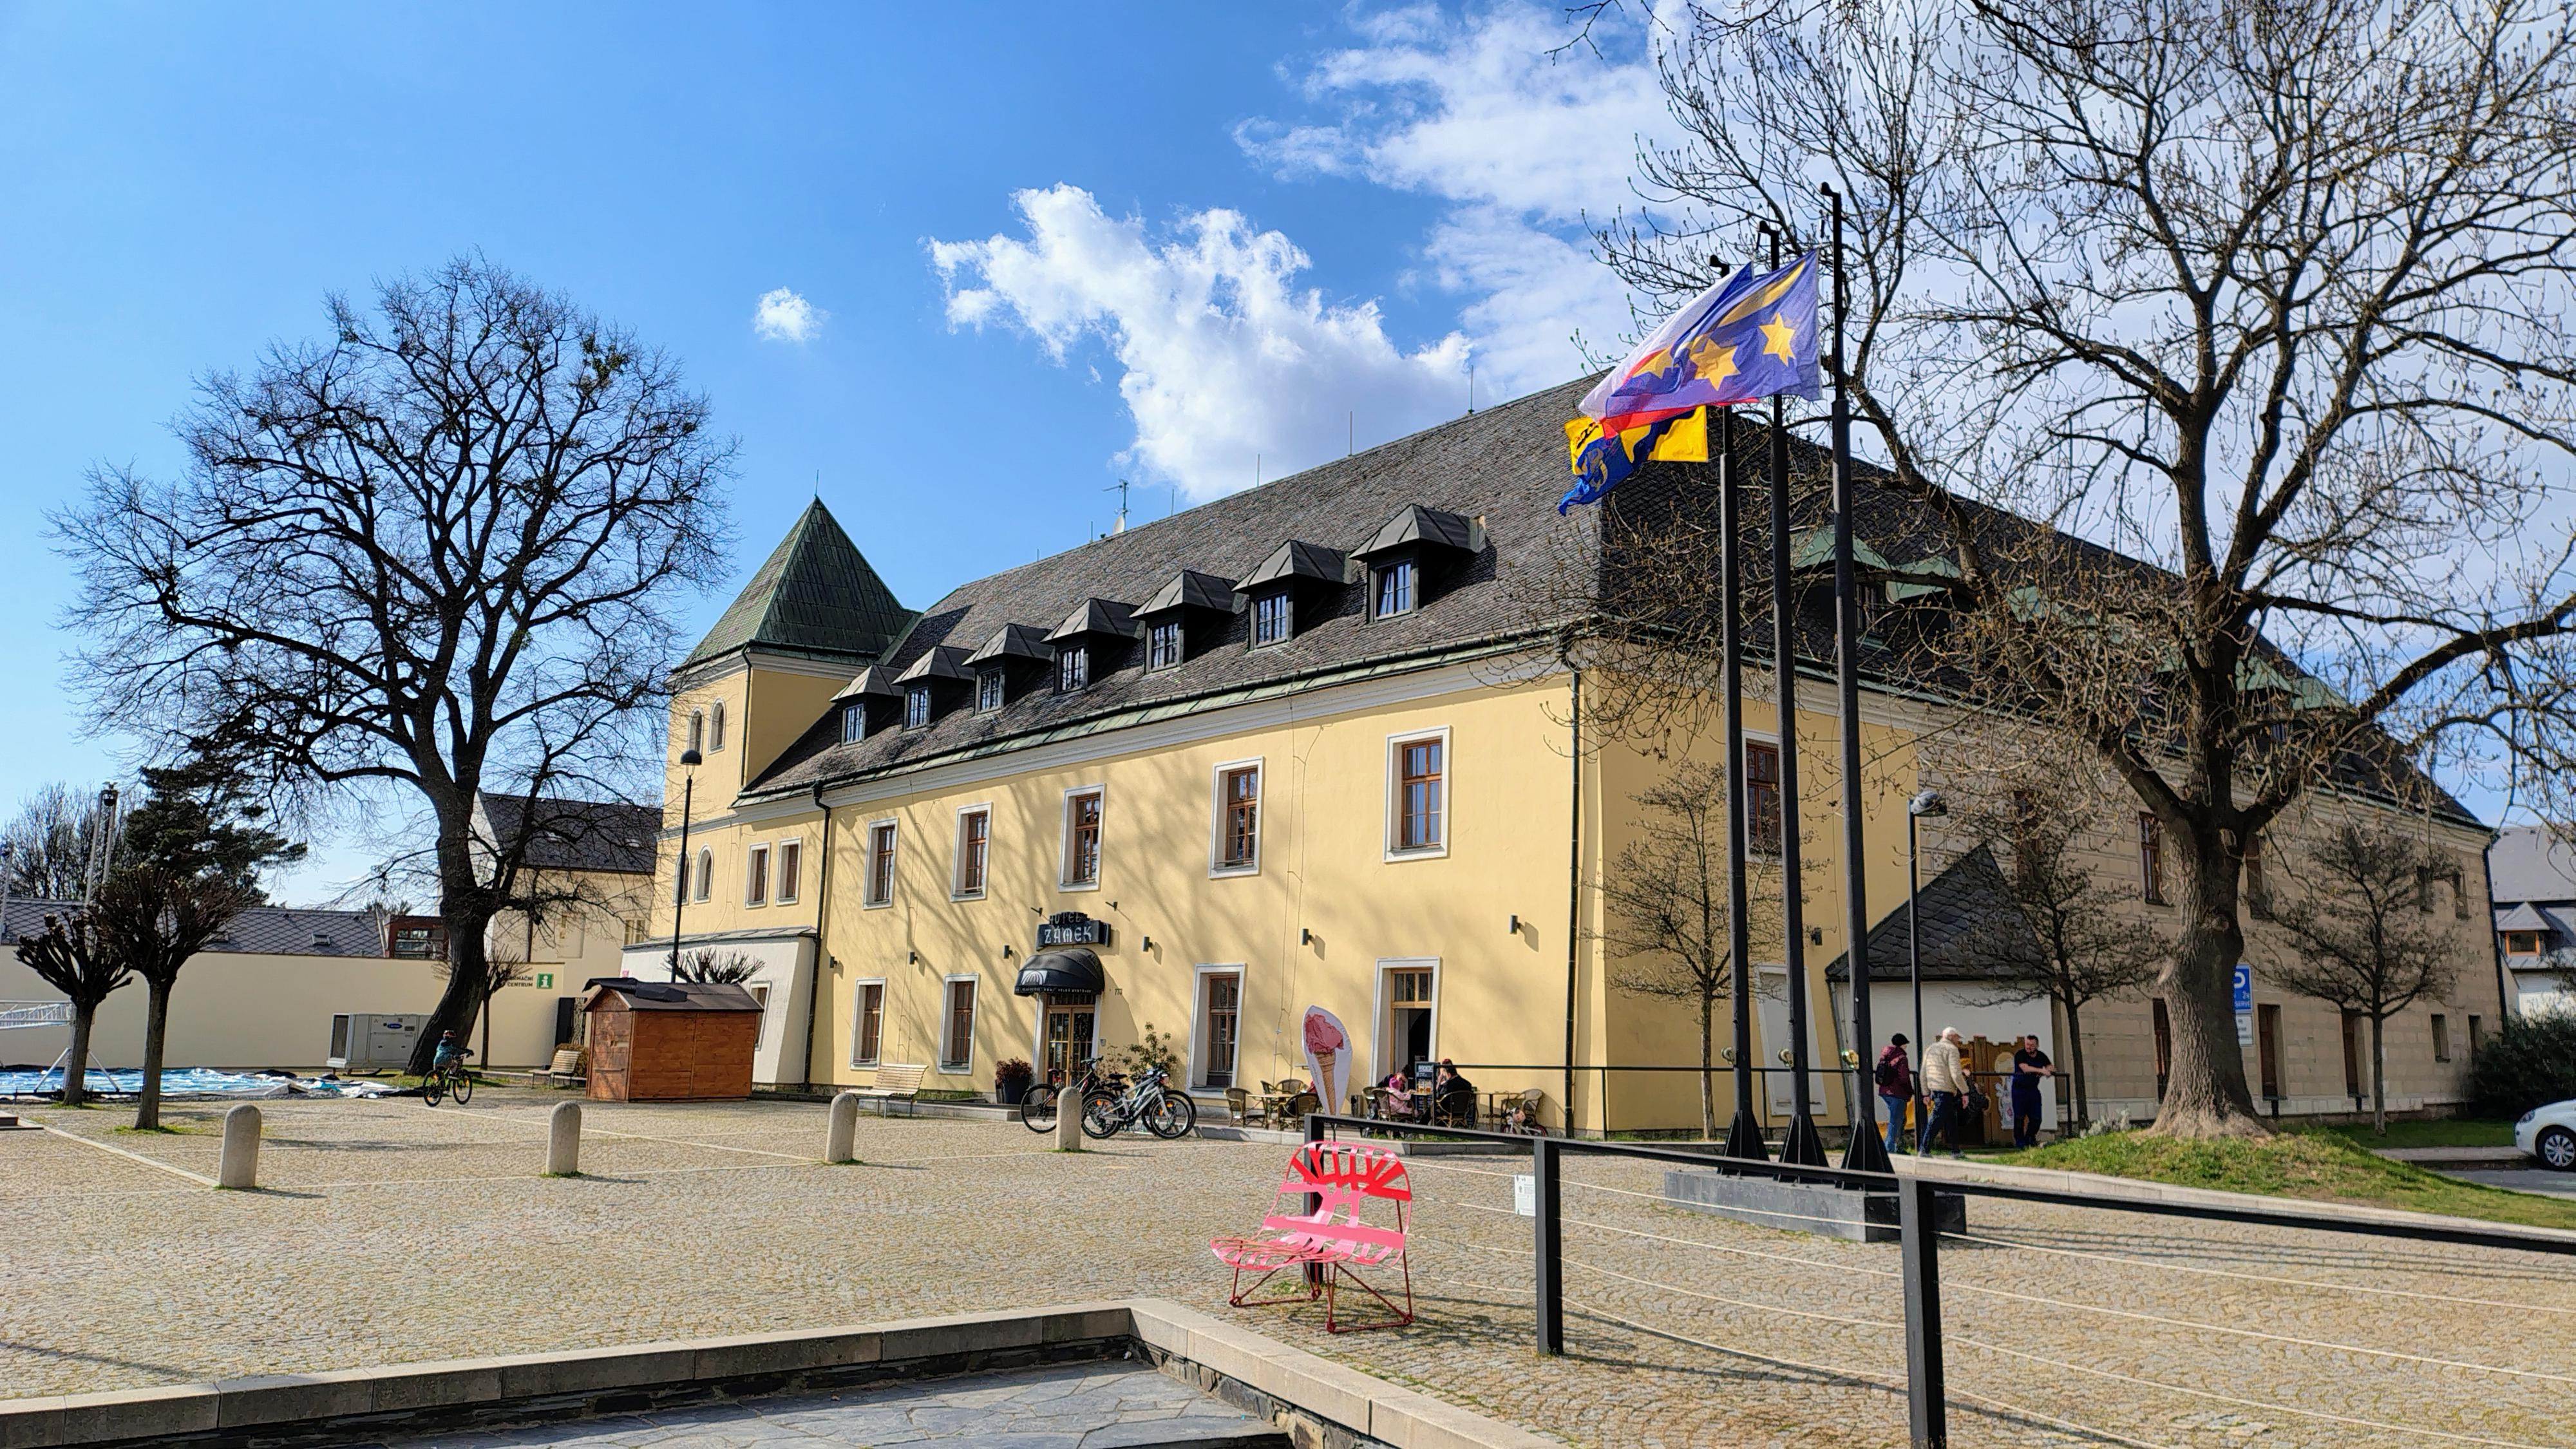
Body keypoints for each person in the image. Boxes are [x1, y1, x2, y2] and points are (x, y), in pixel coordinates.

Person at [1920, 1027, 1967, 1157]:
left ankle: (1956, 1151)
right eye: (1957, 1038)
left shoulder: (1930, 1049)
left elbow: (1923, 1073)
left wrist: (1925, 1093)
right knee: (1936, 1119)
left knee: (1951, 1121)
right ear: (1951, 1037)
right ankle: (1924, 1149)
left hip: (1934, 1089)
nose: (1958, 1041)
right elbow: (1956, 1074)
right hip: (1945, 1090)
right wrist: (1965, 1092)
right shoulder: (1952, 1050)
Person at [2009, 1033, 2055, 1149]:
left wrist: (2047, 1070)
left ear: (2037, 1045)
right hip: (2019, 1090)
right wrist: (2041, 1070)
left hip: (2033, 1090)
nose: (2029, 1047)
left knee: (2037, 1118)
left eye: (2032, 1045)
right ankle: (2020, 1142)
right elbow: (2025, 1068)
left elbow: (2051, 1067)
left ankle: (2030, 1138)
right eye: (2027, 1044)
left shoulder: (2041, 1056)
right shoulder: (2021, 1054)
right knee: (2019, 1117)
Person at [1875, 1034, 1915, 1157]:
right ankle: (1890, 1147)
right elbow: (1904, 1077)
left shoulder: (1885, 1055)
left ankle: (1896, 1147)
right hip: (1897, 1093)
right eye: (1905, 1044)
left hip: (1885, 1092)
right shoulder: (1902, 1057)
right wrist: (1910, 1091)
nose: (1906, 1046)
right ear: (1903, 1044)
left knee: (1899, 1119)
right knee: (1896, 1121)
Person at [1433, 1058, 1477, 1126]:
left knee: (1431, 1110)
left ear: (1449, 1074)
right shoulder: (1467, 1084)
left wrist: (1439, 1082)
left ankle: (1419, 1129)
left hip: (1448, 1111)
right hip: (1463, 1111)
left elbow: (1437, 1097)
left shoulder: (1448, 1085)